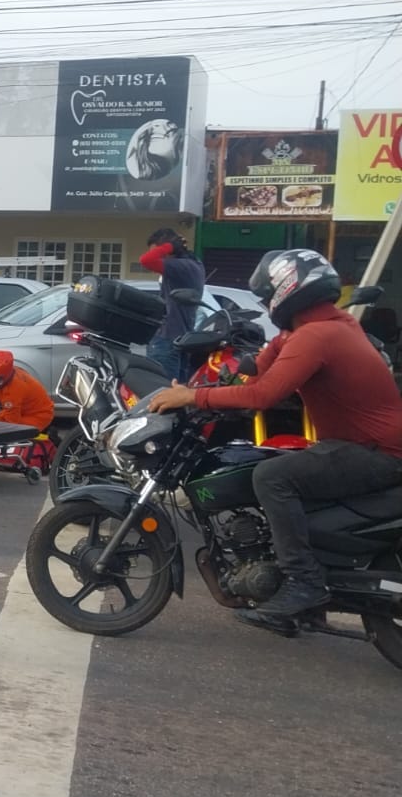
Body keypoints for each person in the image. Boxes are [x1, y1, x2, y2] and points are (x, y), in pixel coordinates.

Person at [150, 249, 402, 630]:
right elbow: (255, 374)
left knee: (271, 477)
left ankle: (304, 583)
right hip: (357, 445)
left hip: (376, 452)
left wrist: (192, 397)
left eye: (268, 295)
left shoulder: (316, 336)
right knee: (271, 462)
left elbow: (261, 397)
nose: (267, 304)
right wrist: (202, 386)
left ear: (288, 289)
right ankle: (298, 595)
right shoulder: (319, 328)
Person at [139, 227, 205, 381]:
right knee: (176, 392)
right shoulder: (194, 264)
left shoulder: (181, 267)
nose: (159, 257)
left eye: (160, 252)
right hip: (181, 337)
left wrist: (169, 246)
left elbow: (146, 260)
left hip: (167, 338)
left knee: (159, 392)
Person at [0, 350, 54, 431]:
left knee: (7, 433)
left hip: (37, 416)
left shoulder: (14, 388)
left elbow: (12, 420)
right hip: (16, 411)